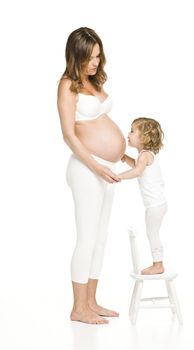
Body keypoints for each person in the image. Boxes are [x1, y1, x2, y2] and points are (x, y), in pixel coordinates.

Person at [57, 27, 126, 324]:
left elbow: (97, 121)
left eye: (98, 56)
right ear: (76, 55)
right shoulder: (67, 85)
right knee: (86, 238)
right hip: (86, 168)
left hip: (105, 169)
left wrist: (121, 154)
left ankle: (92, 302)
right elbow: (69, 135)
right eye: (89, 57)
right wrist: (97, 166)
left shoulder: (92, 80)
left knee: (100, 238)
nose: (95, 62)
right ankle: (78, 308)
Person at [119, 117, 167, 275]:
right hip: (155, 204)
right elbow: (137, 166)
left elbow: (137, 171)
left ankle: (158, 265)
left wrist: (118, 176)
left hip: (155, 205)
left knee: (152, 233)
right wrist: (126, 159)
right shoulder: (144, 156)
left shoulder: (145, 156)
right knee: (152, 232)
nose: (129, 133)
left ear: (144, 137)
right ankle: (157, 263)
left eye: (132, 131)